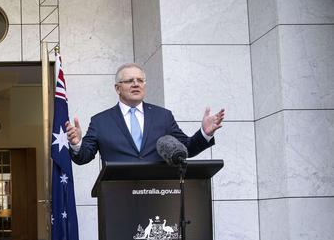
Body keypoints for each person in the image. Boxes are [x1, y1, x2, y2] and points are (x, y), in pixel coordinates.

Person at [66, 63, 225, 164]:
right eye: (129, 81)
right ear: (117, 88)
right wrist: (77, 143)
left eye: (140, 80)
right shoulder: (101, 121)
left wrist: (204, 133)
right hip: (117, 196)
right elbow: (84, 157)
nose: (136, 84)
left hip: (158, 194)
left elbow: (186, 149)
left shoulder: (163, 116)